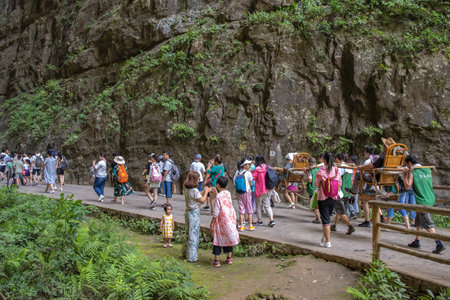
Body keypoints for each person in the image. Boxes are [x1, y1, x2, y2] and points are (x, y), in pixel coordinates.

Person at [405, 155, 445, 254]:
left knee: (427, 224)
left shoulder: (413, 171)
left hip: (422, 201)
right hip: (430, 198)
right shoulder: (427, 170)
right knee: (418, 221)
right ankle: (417, 241)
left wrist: (404, 174)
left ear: (409, 164)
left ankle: (439, 243)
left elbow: (407, 186)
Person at [210, 176, 240, 267]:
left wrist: (212, 222)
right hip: (230, 218)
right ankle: (229, 258)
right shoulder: (228, 193)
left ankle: (217, 260)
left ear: (217, 185)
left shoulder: (218, 196)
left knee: (217, 239)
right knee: (228, 237)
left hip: (221, 220)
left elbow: (216, 211)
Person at [314, 152, 342, 248]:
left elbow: (316, 184)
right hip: (333, 197)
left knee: (325, 220)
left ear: (324, 160)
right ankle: (325, 237)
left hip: (323, 197)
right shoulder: (336, 170)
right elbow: (340, 183)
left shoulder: (321, 171)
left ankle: (328, 242)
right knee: (327, 218)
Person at [183, 171, 210, 262]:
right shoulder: (194, 190)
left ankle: (185, 253)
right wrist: (206, 192)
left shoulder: (188, 189)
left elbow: (197, 195)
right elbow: (201, 200)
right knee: (193, 235)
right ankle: (192, 257)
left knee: (188, 233)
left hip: (188, 212)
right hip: (194, 214)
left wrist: (203, 191)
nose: (199, 181)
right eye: (198, 179)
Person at [331, 153, 355, 235]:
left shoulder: (340, 167)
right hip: (348, 191)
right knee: (339, 210)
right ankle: (334, 225)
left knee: (341, 211)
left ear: (337, 159)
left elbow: (336, 177)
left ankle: (350, 227)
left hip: (340, 192)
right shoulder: (349, 167)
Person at [252, 155, 275, 227]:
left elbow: (253, 178)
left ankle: (260, 220)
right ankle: (271, 220)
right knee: (267, 206)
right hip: (267, 189)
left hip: (259, 190)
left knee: (258, 206)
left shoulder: (257, 169)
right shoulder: (268, 167)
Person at [233, 158, 255, 231]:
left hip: (239, 192)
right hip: (246, 192)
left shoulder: (237, 173)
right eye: (248, 164)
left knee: (241, 209)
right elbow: (251, 183)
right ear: (244, 165)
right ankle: (250, 225)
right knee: (249, 208)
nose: (249, 165)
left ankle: (242, 225)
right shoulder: (248, 173)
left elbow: (234, 182)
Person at [306, 156, 321, 223]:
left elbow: (309, 180)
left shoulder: (311, 171)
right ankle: (318, 218)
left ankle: (318, 218)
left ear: (311, 163)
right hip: (320, 188)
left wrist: (305, 173)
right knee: (318, 204)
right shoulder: (319, 169)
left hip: (314, 189)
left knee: (315, 205)